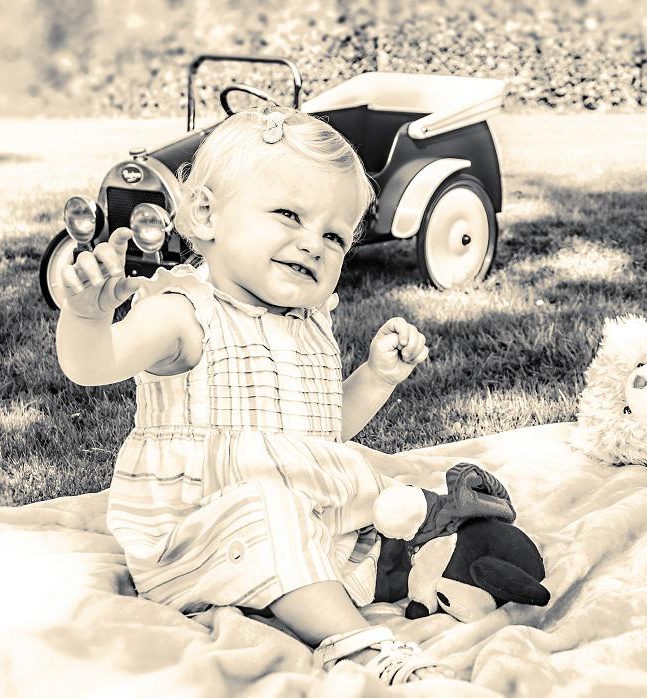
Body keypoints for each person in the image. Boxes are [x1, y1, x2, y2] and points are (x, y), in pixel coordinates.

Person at [55, 106, 445, 685]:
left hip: (298, 520)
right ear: (206, 214)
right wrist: (86, 317)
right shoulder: (184, 311)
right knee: (270, 511)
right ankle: (358, 644)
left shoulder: (309, 322)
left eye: (334, 236)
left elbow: (321, 433)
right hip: (196, 537)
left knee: (387, 495)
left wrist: (376, 377)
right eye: (289, 215)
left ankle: (412, 569)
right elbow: (93, 366)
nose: (312, 244)